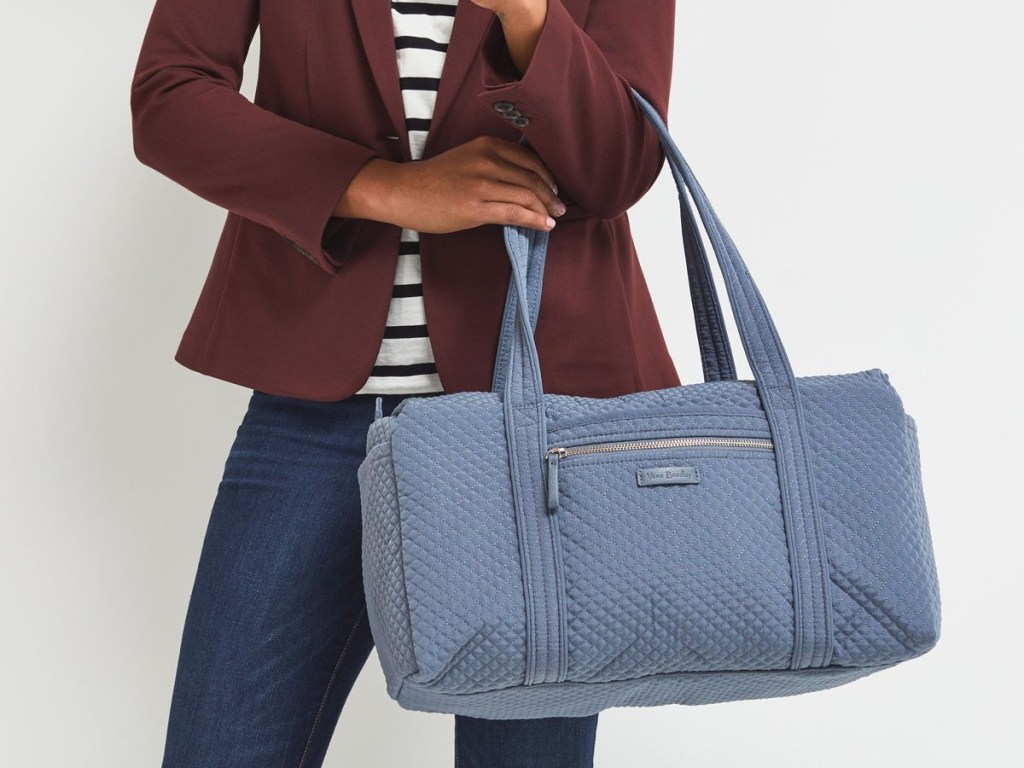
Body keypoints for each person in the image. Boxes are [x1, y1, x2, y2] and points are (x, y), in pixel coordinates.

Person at [131, 0, 680, 765]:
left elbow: (619, 165)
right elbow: (169, 98)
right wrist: (382, 187)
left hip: (539, 431)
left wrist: (526, 15)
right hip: (316, 419)